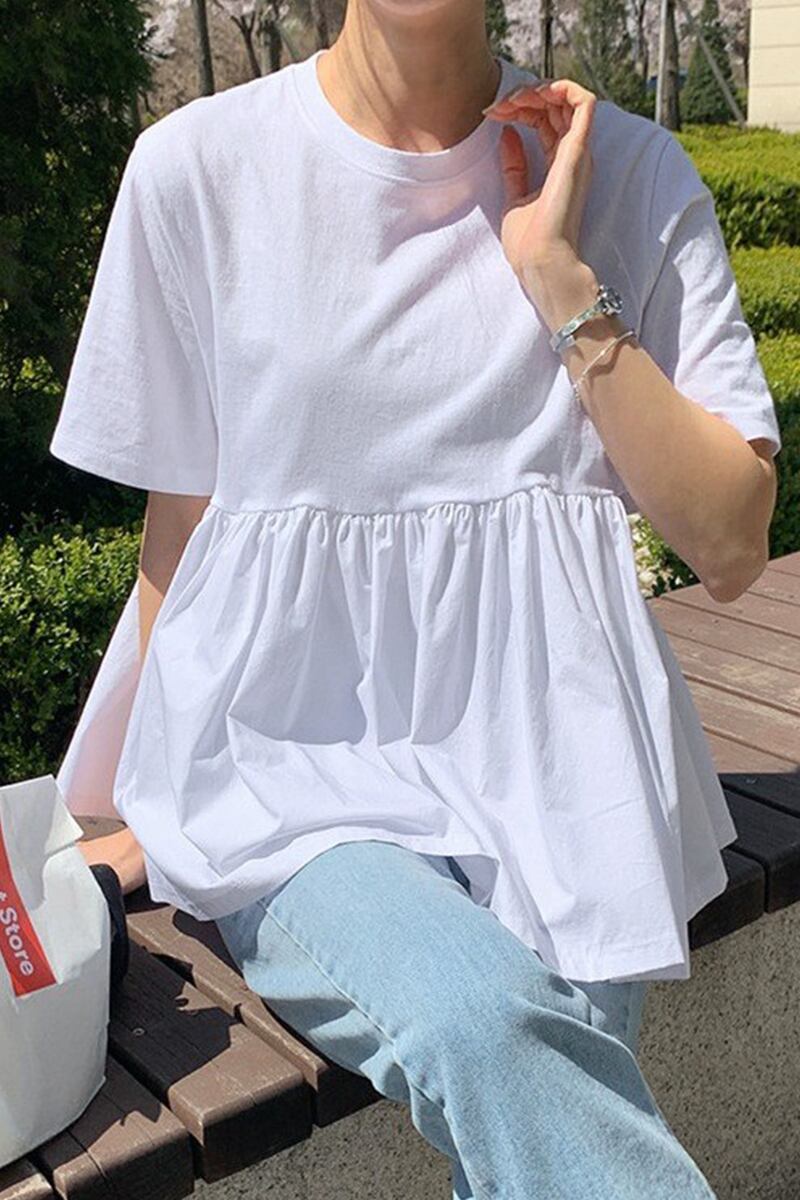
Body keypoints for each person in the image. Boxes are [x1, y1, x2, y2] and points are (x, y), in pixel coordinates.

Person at [51, 0, 781, 1195]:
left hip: (562, 767)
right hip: (292, 780)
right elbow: (181, 527)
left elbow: (731, 540)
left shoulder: (629, 172)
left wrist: (558, 279)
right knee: (484, 1023)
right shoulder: (199, 169)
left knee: (538, 1093)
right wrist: (131, 790)